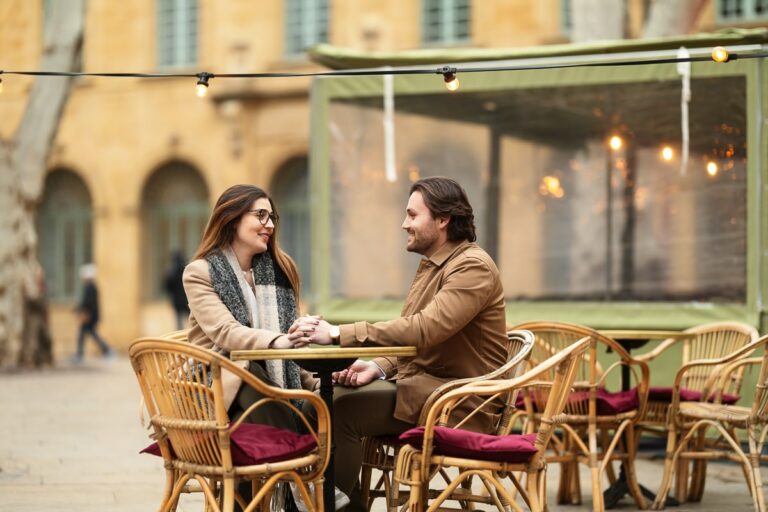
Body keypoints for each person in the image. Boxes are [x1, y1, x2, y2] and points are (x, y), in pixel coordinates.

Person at [295, 176, 508, 510]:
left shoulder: (472, 266)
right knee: (317, 404)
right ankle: (325, 502)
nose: (403, 224)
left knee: (340, 409)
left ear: (442, 220)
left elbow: (426, 329)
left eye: (412, 215)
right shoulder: (436, 265)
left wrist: (338, 335)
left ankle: (330, 507)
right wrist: (378, 368)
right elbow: (423, 341)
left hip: (460, 402)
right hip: (428, 388)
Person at [182, 184, 348, 511]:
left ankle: (281, 481)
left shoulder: (281, 273)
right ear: (231, 219)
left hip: (263, 395)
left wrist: (320, 377)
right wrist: (282, 340)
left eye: (272, 216)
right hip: (215, 391)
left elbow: (290, 358)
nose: (270, 224)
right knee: (248, 372)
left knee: (328, 401)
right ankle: (306, 480)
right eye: (260, 215)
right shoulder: (199, 273)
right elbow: (227, 333)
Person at [74, 264, 114, 363]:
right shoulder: (92, 287)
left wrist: (80, 310)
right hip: (91, 316)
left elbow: (87, 302)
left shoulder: (90, 288)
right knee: (89, 334)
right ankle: (106, 350)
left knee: (88, 335)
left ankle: (106, 350)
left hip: (89, 316)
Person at [163, 250, 190, 329]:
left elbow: (167, 287)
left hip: (177, 301)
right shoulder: (187, 269)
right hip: (187, 299)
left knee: (179, 323)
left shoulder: (171, 272)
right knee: (193, 321)